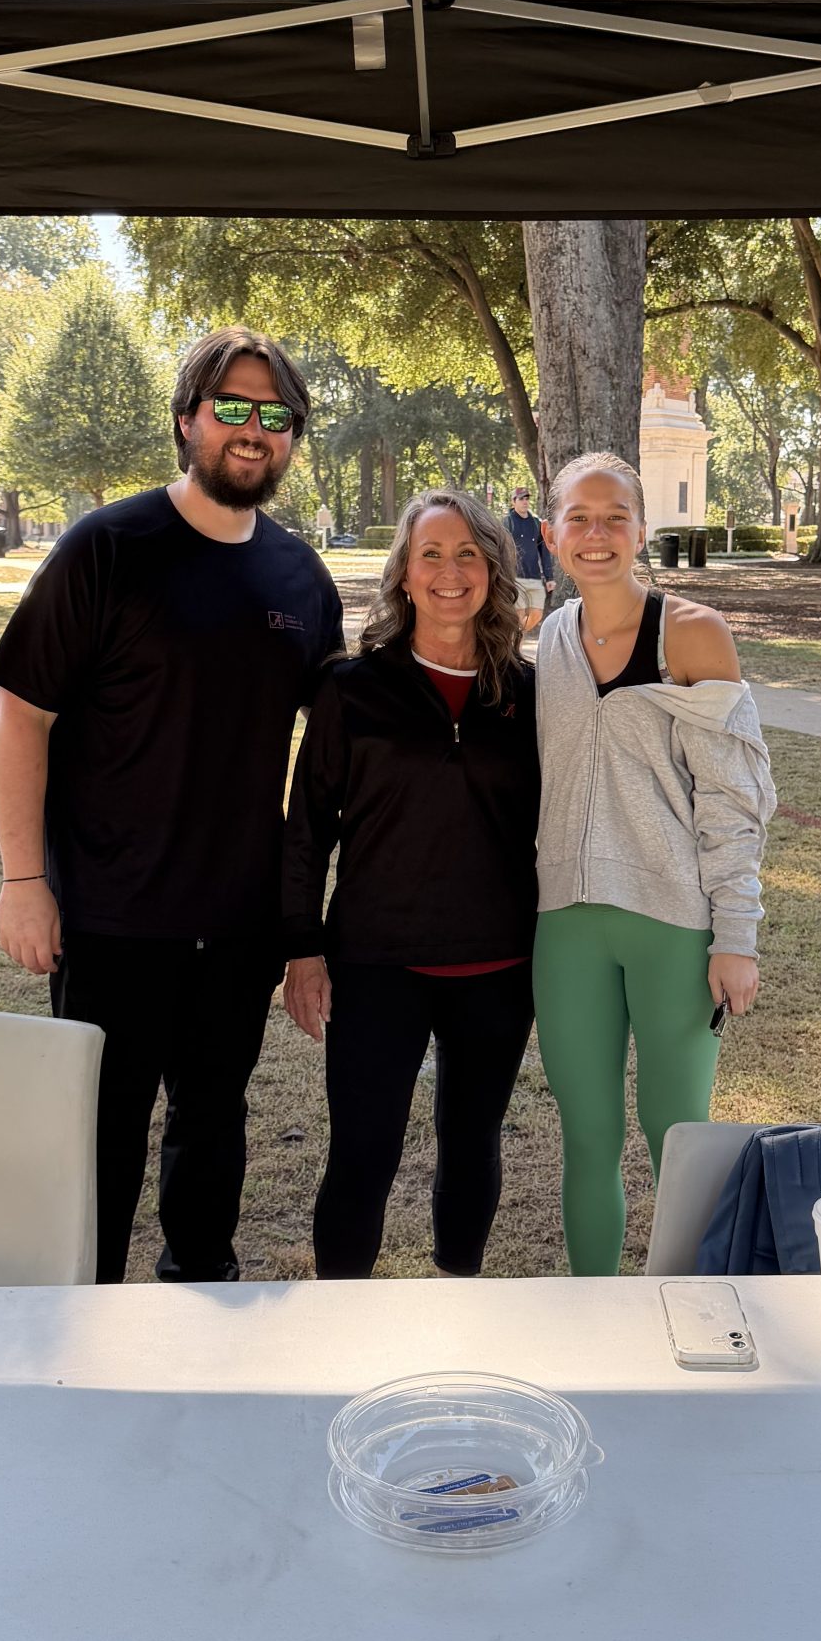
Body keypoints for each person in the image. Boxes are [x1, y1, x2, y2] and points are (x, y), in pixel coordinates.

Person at [0, 325, 343, 1284]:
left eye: (277, 416)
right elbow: (21, 715)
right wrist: (25, 882)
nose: (254, 430)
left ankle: (199, 1303)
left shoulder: (300, 579)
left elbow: (345, 729)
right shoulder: (108, 547)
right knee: (98, 1137)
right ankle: (83, 1318)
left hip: (236, 922)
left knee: (212, 1127)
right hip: (108, 916)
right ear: (187, 420)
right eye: (233, 407)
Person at [282, 490, 539, 1280]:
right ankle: (340, 1317)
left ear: (495, 574)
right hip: (375, 962)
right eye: (431, 554)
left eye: (469, 554)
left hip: (497, 964)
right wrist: (302, 950)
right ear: (402, 575)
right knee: (363, 1150)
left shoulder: (528, 696)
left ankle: (456, 1300)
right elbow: (306, 830)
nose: (450, 572)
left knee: (472, 1143)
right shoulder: (351, 690)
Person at [533, 451, 776, 1276]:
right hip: (565, 925)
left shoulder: (692, 632)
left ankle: (691, 1314)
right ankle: (592, 1317)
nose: (595, 534)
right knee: (587, 1138)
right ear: (550, 532)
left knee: (681, 1140)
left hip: (674, 925)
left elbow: (734, 800)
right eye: (578, 517)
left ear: (642, 531)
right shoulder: (550, 638)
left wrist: (735, 937)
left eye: (614, 518)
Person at [504, 485, 555, 630]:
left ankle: (514, 637)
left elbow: (544, 552)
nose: (525, 502)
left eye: (526, 498)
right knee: (518, 614)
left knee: (537, 614)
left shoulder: (536, 523)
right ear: (513, 502)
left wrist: (549, 577)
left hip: (535, 578)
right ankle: (516, 648)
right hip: (515, 578)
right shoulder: (507, 522)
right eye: (521, 499)